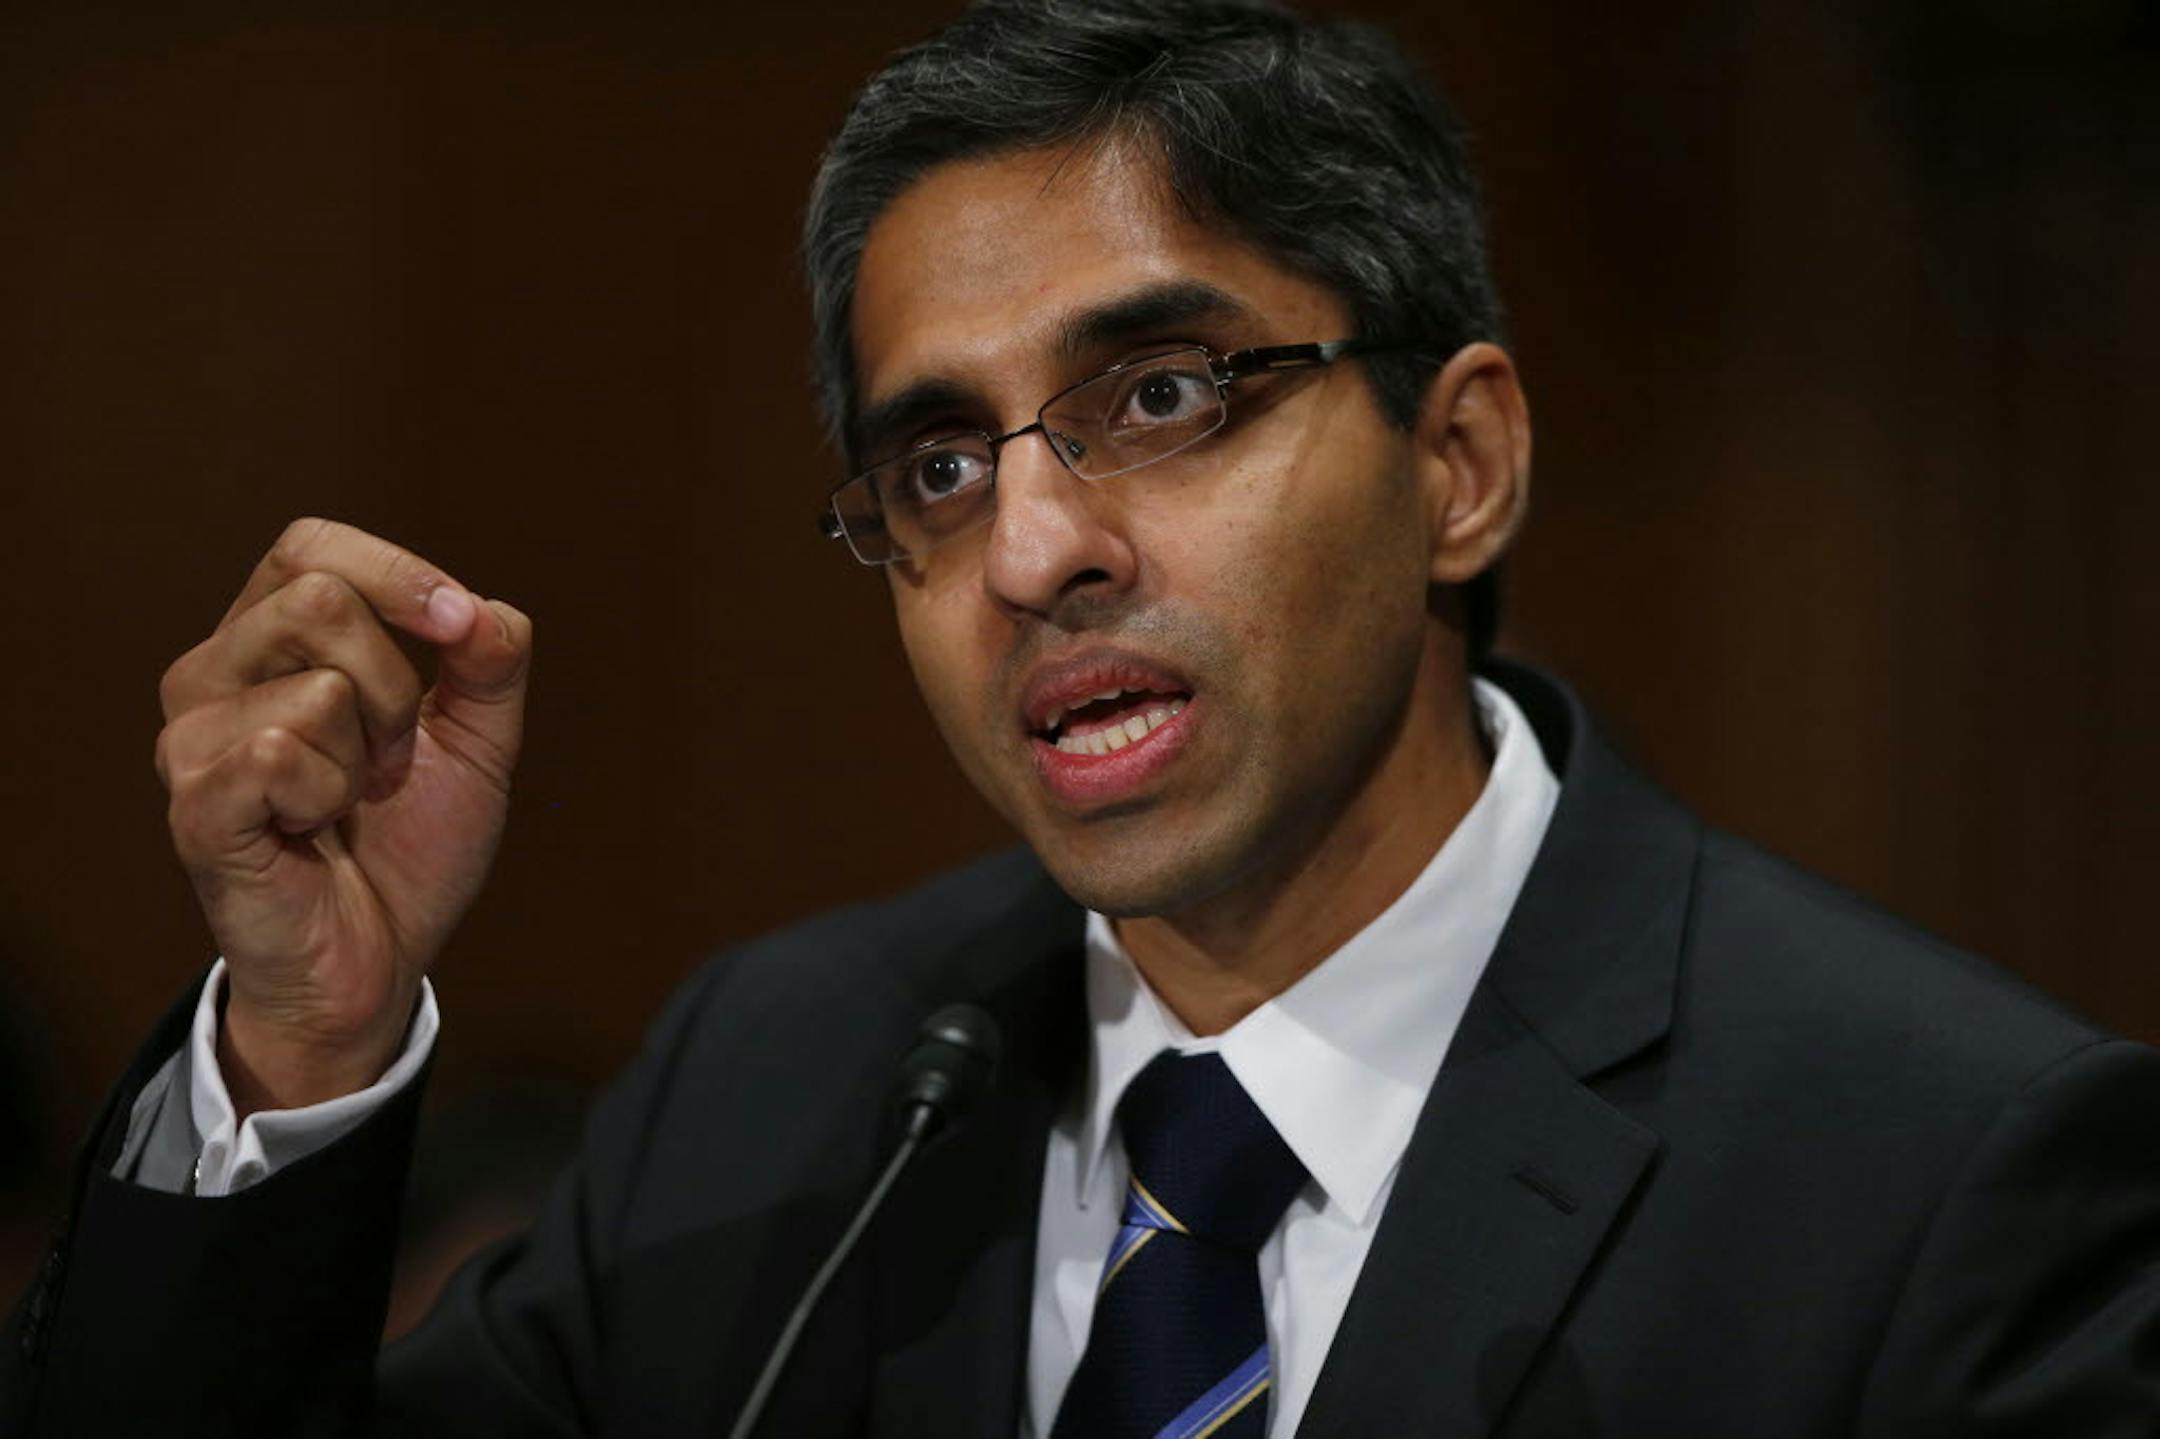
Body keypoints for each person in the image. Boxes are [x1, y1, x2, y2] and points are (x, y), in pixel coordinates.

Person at [7, 0, 2159, 1434]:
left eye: (1162, 395)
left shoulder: (1945, 1180)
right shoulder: (789, 1095)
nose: (1034, 551)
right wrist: (298, 1039)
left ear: (1461, 462)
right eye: (937, 467)